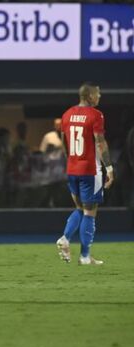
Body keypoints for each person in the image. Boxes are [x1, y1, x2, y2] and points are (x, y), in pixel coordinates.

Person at [56, 83, 114, 265]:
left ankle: (66, 239)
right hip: (90, 170)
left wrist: (71, 160)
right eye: (98, 94)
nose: (100, 96)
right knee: (90, 212)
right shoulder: (96, 115)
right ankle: (84, 256)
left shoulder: (66, 114)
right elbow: (100, 142)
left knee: (80, 209)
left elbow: (64, 142)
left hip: (72, 169)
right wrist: (109, 168)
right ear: (89, 96)